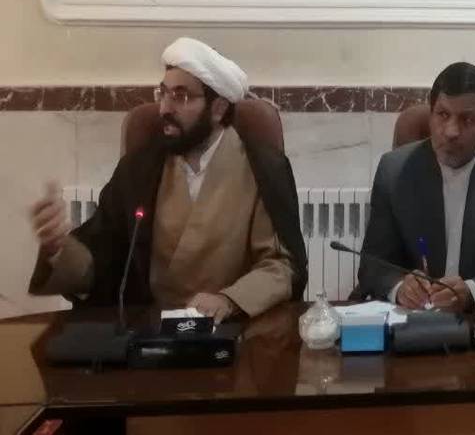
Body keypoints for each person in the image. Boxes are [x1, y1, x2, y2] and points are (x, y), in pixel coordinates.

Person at [27, 38, 306, 323]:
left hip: (234, 330)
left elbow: (282, 266)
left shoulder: (262, 169)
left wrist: (229, 300)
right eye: (162, 93)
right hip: (150, 330)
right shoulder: (140, 168)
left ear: (218, 109)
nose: (164, 108)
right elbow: (104, 259)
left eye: (180, 97)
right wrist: (59, 249)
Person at [358, 62, 475, 311]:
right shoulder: (394, 171)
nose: (451, 131)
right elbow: (373, 265)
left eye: (467, 119)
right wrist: (400, 287)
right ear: (431, 115)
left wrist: (472, 291)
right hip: (413, 318)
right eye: (443, 115)